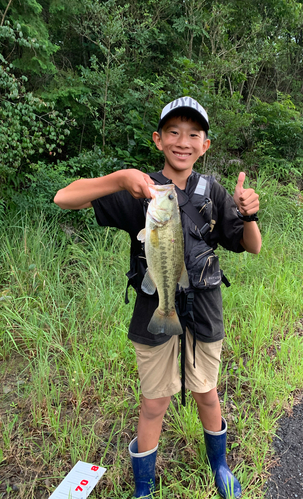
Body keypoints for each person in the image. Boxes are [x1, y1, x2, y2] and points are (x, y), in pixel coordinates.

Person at [54, 96, 261, 498]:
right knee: (153, 404)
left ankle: (219, 464)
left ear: (205, 145)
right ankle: (144, 489)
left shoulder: (213, 192)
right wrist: (118, 179)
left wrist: (249, 215)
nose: (183, 141)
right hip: (154, 309)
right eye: (173, 132)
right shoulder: (141, 190)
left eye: (193, 134)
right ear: (158, 139)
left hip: (204, 311)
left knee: (207, 392)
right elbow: (64, 197)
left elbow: (251, 246)